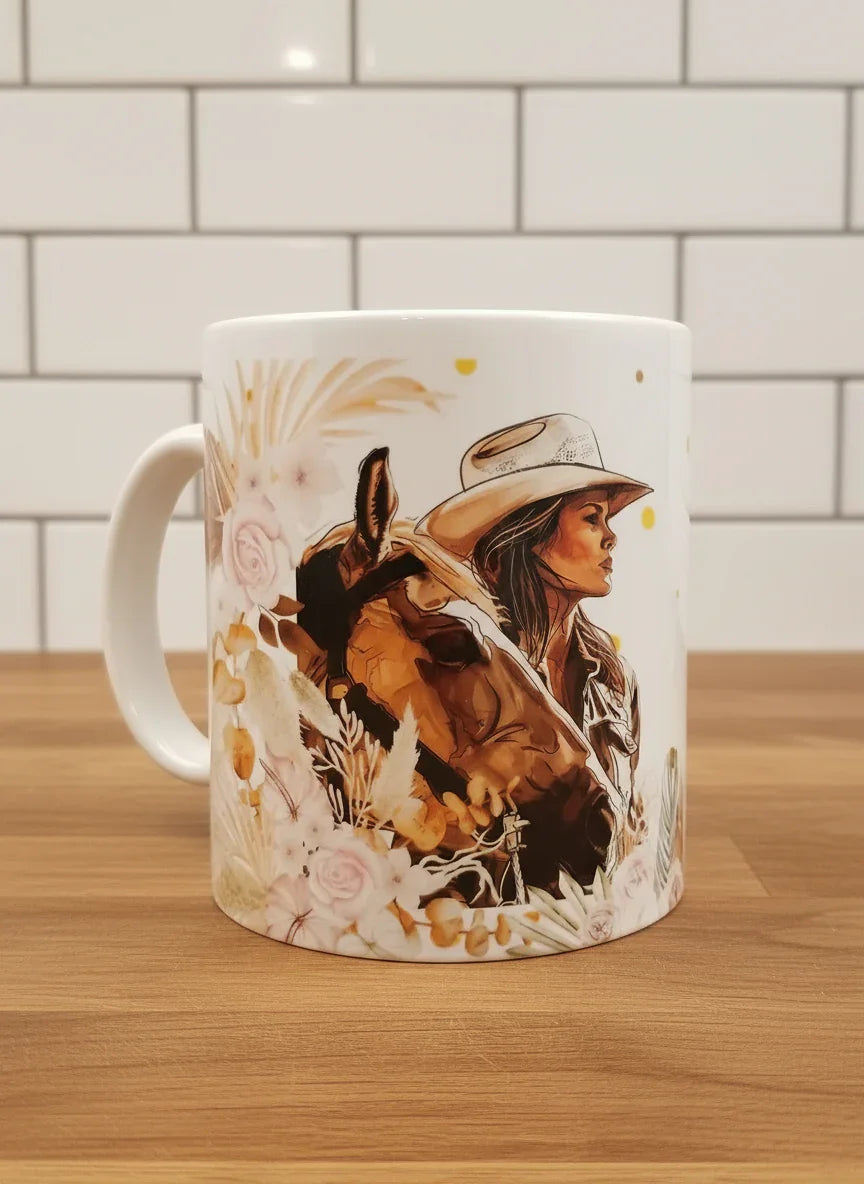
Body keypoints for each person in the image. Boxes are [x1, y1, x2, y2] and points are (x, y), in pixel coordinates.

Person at [417, 413, 653, 860]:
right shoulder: (468, 675)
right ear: (529, 535)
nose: (611, 538)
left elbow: (632, 831)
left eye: (607, 518)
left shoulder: (615, 677)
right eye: (591, 517)